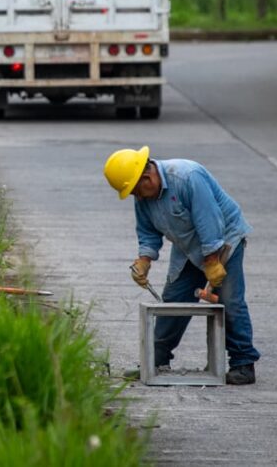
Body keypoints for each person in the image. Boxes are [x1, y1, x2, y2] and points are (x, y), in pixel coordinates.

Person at [103, 146, 260, 385]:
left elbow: (209, 220)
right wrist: (144, 260)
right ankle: (155, 360)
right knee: (174, 300)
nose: (138, 197)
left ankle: (243, 363)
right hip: (187, 244)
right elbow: (147, 231)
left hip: (224, 239)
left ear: (147, 176)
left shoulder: (187, 177)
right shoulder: (142, 194)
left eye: (137, 190)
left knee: (230, 300)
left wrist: (213, 261)